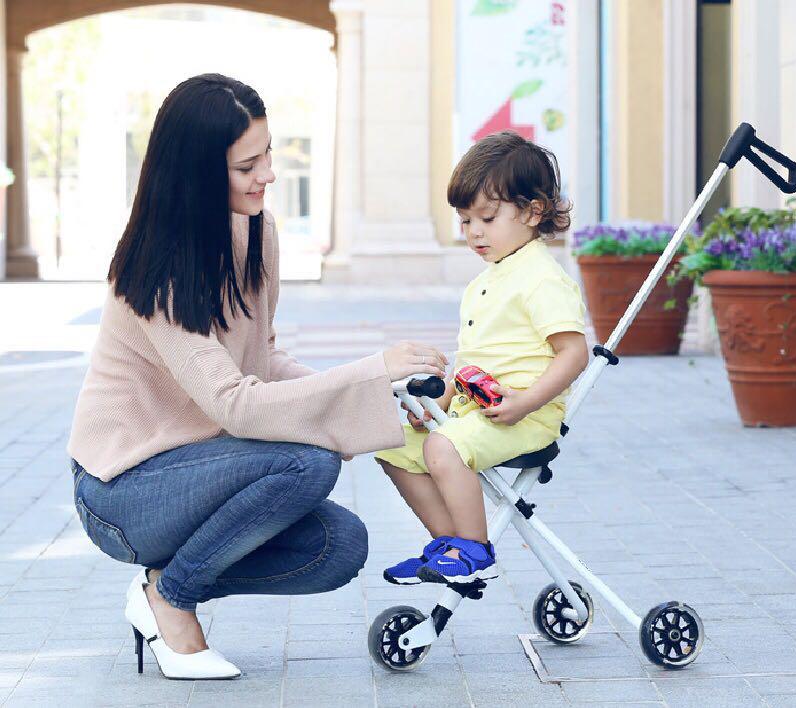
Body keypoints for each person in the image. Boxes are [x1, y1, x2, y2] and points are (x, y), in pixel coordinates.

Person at [67, 74, 446, 680]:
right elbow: (237, 405)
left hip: (202, 472)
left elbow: (262, 359)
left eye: (268, 154)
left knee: (338, 546)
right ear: (196, 175)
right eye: (247, 166)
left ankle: (166, 584)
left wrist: (382, 393)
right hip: (123, 491)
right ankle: (172, 602)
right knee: (306, 462)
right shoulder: (155, 271)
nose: (268, 174)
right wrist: (373, 368)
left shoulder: (256, 234)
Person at [374, 131, 589, 586]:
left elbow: (574, 354)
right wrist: (444, 401)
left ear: (533, 212)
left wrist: (525, 403)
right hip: (478, 410)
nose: (473, 232)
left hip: (524, 417)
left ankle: (474, 550)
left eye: (486, 218)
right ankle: (449, 543)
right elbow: (472, 359)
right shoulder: (488, 279)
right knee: (392, 444)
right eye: (464, 219)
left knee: (442, 446)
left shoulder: (540, 279)